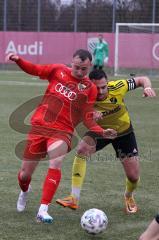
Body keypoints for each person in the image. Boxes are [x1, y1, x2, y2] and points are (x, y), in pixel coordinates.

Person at [6, 50, 117, 224]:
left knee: (56, 162)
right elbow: (35, 69)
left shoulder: (90, 88)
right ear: (71, 63)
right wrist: (19, 60)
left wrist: (102, 131)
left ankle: (43, 209)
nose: (80, 72)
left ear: (89, 66)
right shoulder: (58, 70)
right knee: (25, 175)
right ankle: (25, 191)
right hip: (39, 127)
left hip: (62, 131)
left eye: (84, 69)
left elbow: (87, 117)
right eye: (77, 67)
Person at [56, 69, 156, 213]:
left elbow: (142, 79)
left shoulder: (118, 86)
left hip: (123, 132)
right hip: (100, 131)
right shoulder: (83, 96)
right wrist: (89, 115)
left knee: (133, 176)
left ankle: (128, 196)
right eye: (97, 88)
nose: (102, 91)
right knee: (82, 150)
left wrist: (147, 87)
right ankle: (74, 198)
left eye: (104, 86)